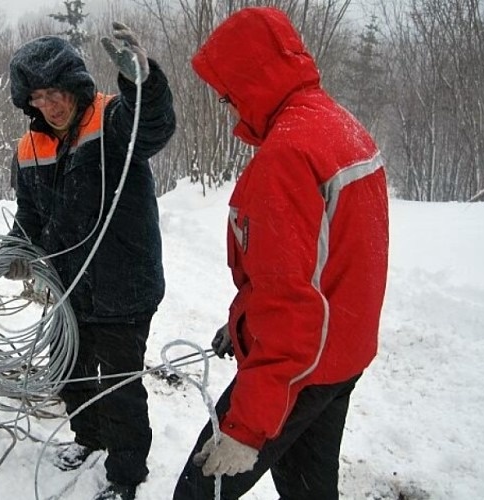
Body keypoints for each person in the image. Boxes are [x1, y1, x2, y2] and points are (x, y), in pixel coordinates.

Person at [173, 7, 389, 500]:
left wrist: (245, 430)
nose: (229, 111)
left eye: (228, 97)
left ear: (252, 81)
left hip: (301, 370)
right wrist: (243, 324)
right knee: (309, 490)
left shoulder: (285, 158)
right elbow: (329, 261)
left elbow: (291, 306)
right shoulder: (341, 127)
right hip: (343, 357)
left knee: (197, 493)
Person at [2, 22, 176, 500]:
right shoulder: (28, 148)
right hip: (69, 288)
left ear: (74, 85)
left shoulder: (113, 120)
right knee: (71, 374)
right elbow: (31, 216)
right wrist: (15, 248)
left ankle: (126, 474)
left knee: (119, 385)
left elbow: (154, 124)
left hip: (125, 285)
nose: (49, 105)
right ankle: (88, 439)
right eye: (37, 97)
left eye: (56, 92)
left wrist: (144, 82)